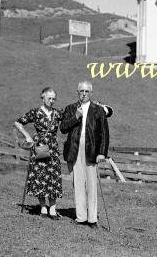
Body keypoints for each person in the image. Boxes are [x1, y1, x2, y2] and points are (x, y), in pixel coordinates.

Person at [60, 81, 112, 228]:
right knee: (78, 184)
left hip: (92, 150)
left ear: (91, 93)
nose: (83, 94)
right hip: (74, 149)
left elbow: (104, 134)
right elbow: (63, 128)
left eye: (86, 91)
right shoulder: (71, 108)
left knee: (91, 185)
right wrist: (75, 116)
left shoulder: (98, 110)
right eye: (81, 91)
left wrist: (102, 153)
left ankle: (92, 219)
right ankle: (81, 217)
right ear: (77, 92)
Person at [14, 87, 63, 219]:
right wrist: (27, 137)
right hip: (39, 147)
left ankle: (52, 209)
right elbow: (18, 123)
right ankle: (43, 208)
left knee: (53, 176)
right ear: (43, 97)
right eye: (49, 98)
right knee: (39, 176)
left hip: (52, 148)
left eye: (54, 99)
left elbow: (68, 123)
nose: (51, 101)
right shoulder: (35, 112)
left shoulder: (57, 113)